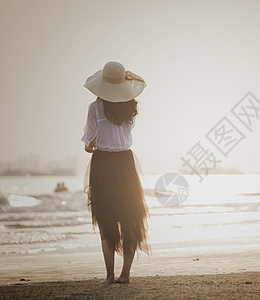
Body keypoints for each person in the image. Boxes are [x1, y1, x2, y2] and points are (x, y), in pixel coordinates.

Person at [81, 61, 150, 284]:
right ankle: (125, 275)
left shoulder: (94, 108)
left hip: (104, 164)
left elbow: (89, 143)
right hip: (125, 163)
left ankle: (110, 276)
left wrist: (91, 142)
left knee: (106, 219)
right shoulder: (131, 108)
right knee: (130, 217)